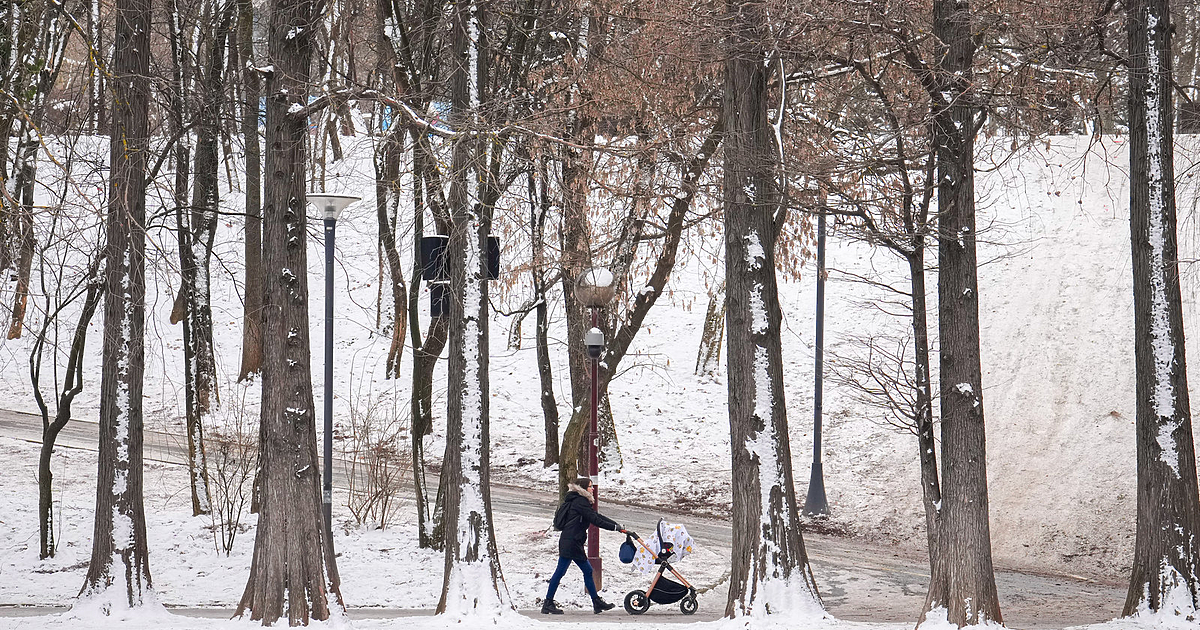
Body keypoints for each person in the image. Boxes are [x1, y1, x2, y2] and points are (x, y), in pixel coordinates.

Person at [541, 477, 636, 614]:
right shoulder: (580, 501)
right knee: (570, 571)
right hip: (572, 542)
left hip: (571, 541)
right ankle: (549, 603)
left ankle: (595, 602)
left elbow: (596, 515)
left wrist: (616, 526)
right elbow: (595, 520)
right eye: (590, 486)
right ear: (584, 489)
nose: (593, 489)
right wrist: (615, 528)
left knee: (576, 571)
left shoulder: (578, 501)